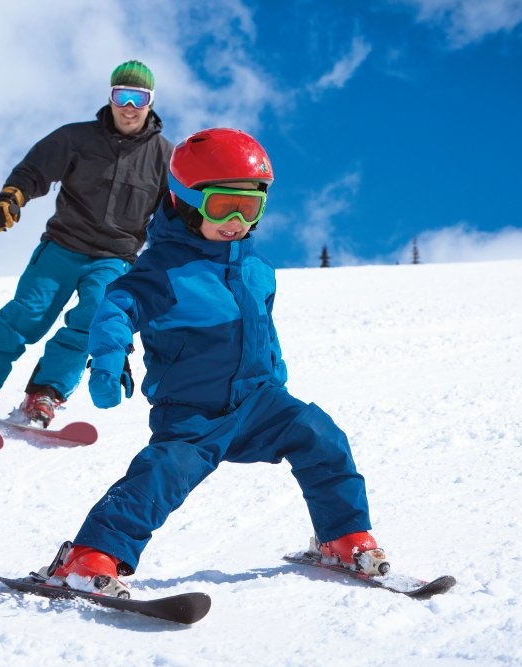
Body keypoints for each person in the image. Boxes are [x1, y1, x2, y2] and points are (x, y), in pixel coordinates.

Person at [33, 128, 388, 597]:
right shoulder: (162, 270)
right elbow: (116, 308)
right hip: (194, 411)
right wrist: (109, 355)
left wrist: (275, 376)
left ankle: (342, 538)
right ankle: (89, 556)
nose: (237, 220)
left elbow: (262, 328)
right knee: (162, 473)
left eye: (251, 207)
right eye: (224, 205)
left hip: (261, 402)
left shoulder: (257, 269)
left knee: (322, 437)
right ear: (184, 200)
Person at [0, 60, 173, 430]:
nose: (129, 106)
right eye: (121, 95)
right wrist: (12, 196)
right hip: (64, 245)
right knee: (25, 315)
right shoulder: (76, 138)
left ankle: (45, 394)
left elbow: (171, 214)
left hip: (115, 258)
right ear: (111, 97)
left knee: (94, 319)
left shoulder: (164, 157)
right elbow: (34, 170)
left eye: (138, 97)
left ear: (151, 101)